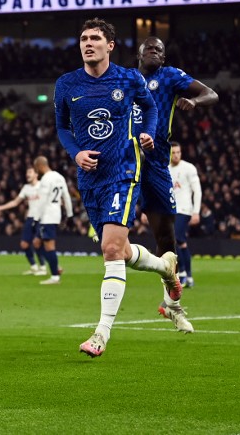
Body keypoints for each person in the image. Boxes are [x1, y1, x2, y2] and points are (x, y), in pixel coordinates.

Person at [54, 18, 180, 358]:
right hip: (89, 178)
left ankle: (101, 334)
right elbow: (62, 128)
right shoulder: (66, 84)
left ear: (110, 45)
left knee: (110, 249)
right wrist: (75, 153)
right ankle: (164, 267)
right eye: (83, 38)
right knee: (120, 250)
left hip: (124, 170)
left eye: (95, 38)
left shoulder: (128, 78)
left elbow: (151, 107)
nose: (88, 43)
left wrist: (149, 132)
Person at [135, 36, 216, 334]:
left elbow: (211, 93)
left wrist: (194, 101)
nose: (155, 52)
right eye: (150, 48)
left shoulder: (169, 76)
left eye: (160, 50)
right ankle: (103, 326)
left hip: (156, 164)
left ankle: (171, 305)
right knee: (111, 239)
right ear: (139, 54)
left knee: (166, 241)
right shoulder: (124, 79)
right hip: (126, 161)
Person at [0, 166, 45, 276]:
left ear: (36, 174)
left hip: (41, 218)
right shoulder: (26, 188)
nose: (27, 174)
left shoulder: (43, 186)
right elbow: (15, 202)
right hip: (30, 218)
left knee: (37, 243)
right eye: (27, 172)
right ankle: (33, 267)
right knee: (24, 244)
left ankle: (42, 268)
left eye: (30, 172)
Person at [32, 156, 73, 285]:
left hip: (47, 216)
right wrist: (70, 215)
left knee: (49, 246)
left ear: (39, 166)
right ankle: (56, 267)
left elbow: (42, 200)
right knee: (37, 243)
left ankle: (55, 276)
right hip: (56, 214)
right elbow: (66, 196)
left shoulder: (45, 179)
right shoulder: (59, 177)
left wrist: (36, 218)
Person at [169, 142, 203, 289]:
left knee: (176, 238)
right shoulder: (166, 169)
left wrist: (196, 211)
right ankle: (188, 276)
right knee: (180, 242)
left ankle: (182, 273)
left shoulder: (189, 168)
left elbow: (198, 190)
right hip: (170, 210)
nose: (176, 155)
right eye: (173, 153)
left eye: (178, 152)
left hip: (184, 209)